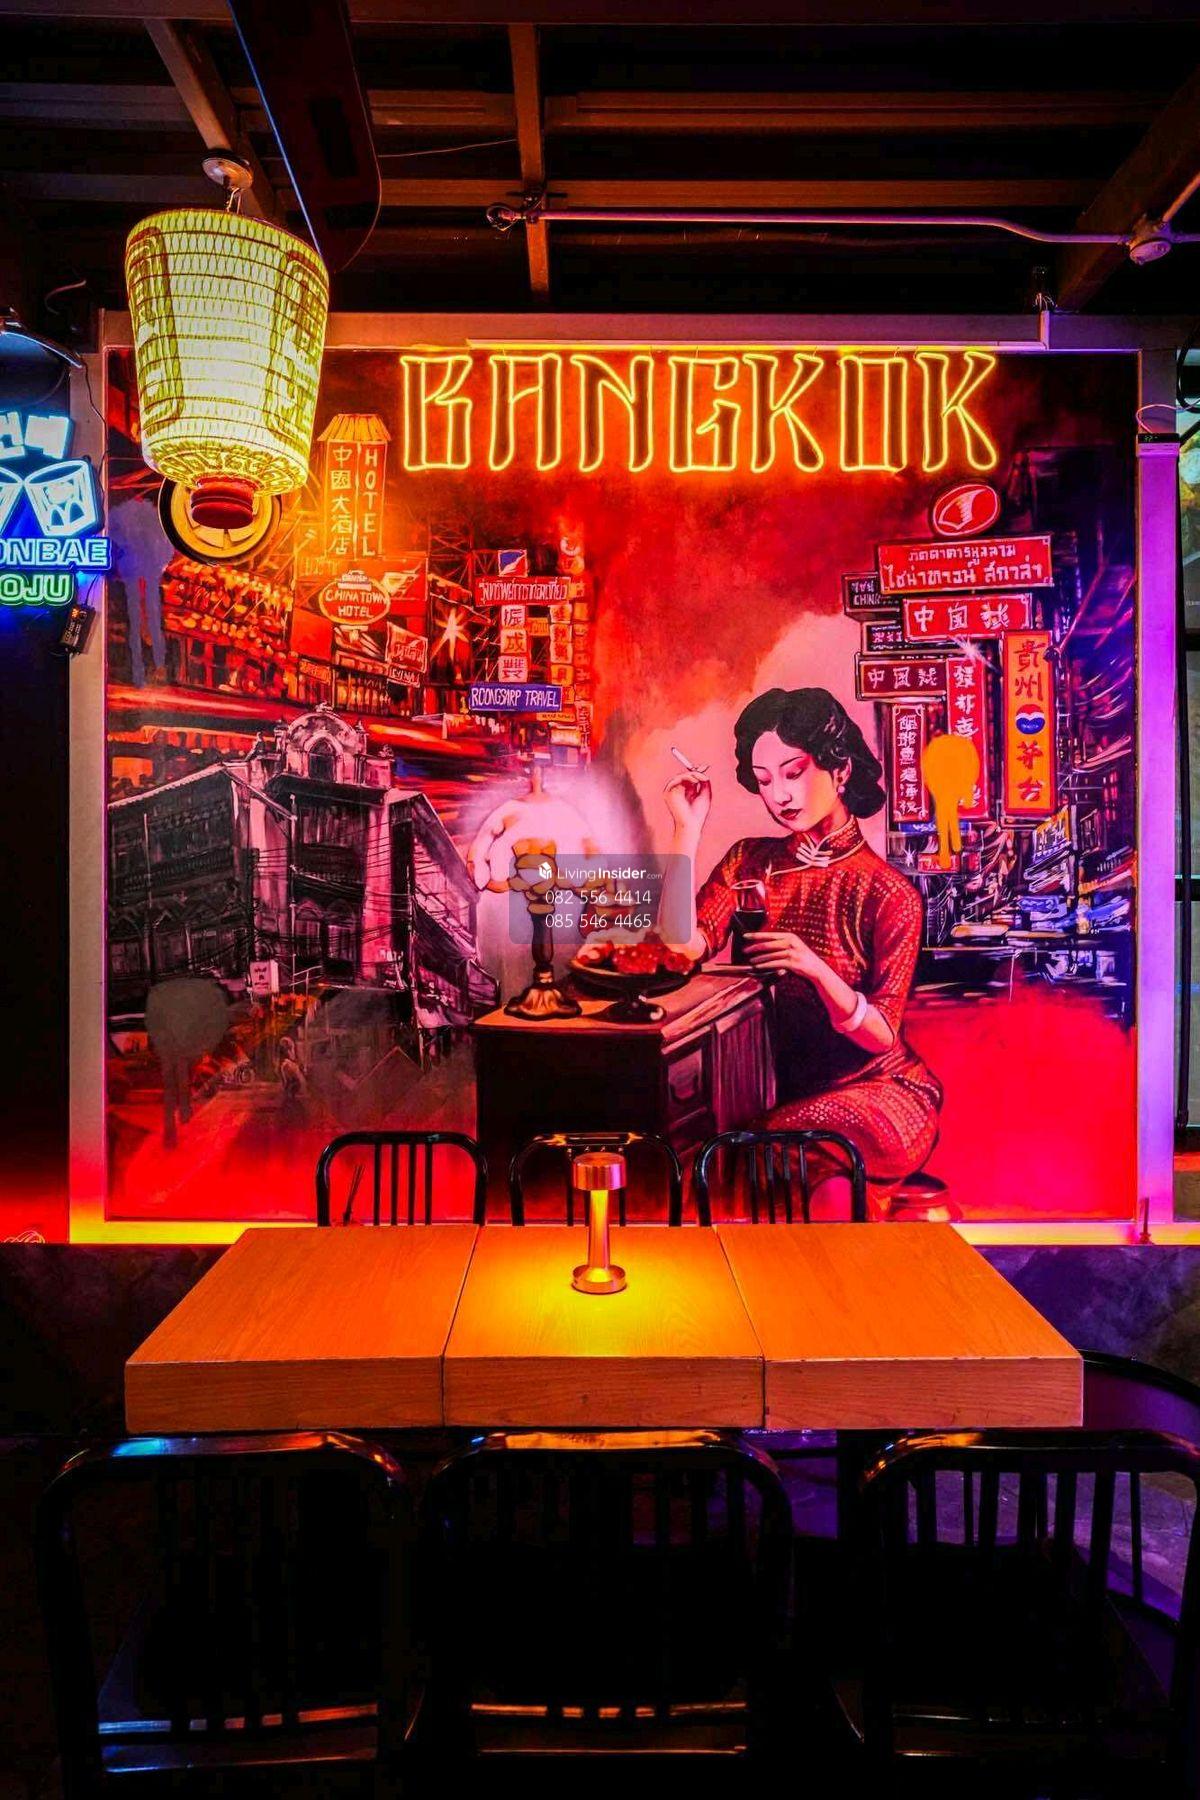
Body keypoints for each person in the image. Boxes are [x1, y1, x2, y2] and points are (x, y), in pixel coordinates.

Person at [665, 686, 942, 1204]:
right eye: (765, 780)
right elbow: (680, 948)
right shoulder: (749, 861)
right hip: (773, 1093)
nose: (780, 795)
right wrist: (687, 829)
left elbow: (882, 1035)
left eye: (794, 773)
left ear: (841, 770)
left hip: (880, 1094)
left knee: (760, 1151)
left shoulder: (889, 893)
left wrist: (814, 969)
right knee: (740, 1158)